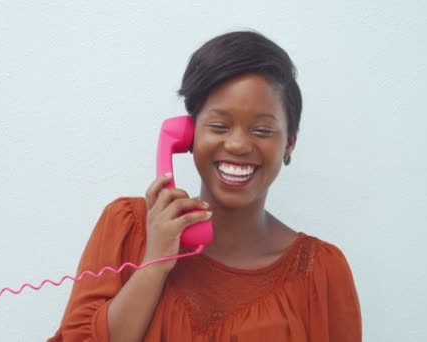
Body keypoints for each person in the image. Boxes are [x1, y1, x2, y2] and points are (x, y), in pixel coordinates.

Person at [47, 30, 361, 341]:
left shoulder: (321, 274)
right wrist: (153, 265)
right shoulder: (127, 228)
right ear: (188, 134)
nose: (238, 144)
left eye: (262, 130)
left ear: (289, 144)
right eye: (219, 126)